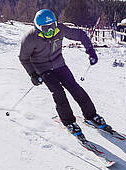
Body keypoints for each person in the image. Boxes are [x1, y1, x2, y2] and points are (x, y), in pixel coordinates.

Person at [19, 9, 111, 142]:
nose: (50, 31)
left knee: (75, 88)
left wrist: (90, 51)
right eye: (46, 28)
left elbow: (80, 35)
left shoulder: (60, 29)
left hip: (59, 64)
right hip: (43, 68)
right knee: (58, 93)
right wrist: (33, 74)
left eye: (52, 26)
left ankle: (91, 116)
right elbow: (24, 58)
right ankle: (69, 122)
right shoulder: (30, 38)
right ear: (38, 28)